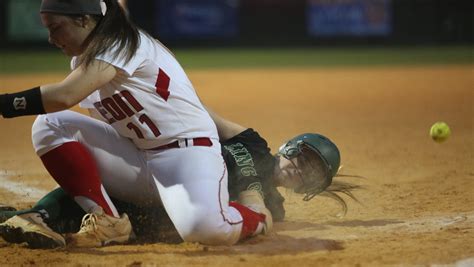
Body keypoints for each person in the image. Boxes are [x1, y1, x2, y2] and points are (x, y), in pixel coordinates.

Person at [0, 0, 271, 248]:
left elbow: (64, 96)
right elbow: (102, 126)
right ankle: (108, 221)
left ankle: (256, 217)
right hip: (138, 159)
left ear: (83, 20)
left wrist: (4, 103)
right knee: (50, 124)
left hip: (187, 156)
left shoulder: (121, 42)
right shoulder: (82, 61)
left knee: (205, 232)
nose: (51, 38)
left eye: (56, 28)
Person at [0, 113, 360, 248]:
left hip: (165, 206)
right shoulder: (251, 142)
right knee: (89, 167)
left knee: (111, 201)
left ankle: (29, 217)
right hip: (164, 167)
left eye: (312, 173)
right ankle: (33, 216)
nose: (300, 169)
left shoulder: (273, 210)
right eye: (303, 157)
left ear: (309, 189)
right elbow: (199, 116)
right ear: (290, 146)